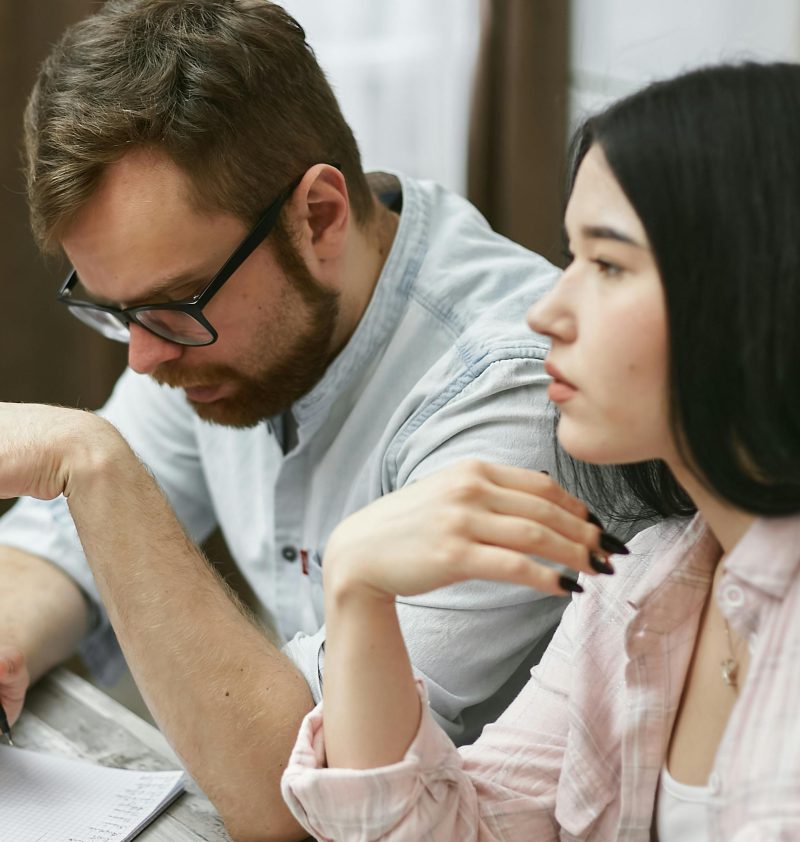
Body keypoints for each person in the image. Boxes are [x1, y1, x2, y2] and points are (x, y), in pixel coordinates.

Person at [0, 2, 619, 837]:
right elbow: (54, 555)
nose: (144, 358)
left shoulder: (514, 395)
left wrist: (95, 464)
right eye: (115, 311)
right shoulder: (218, 334)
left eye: (171, 305)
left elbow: (296, 798)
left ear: (320, 217)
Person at [280, 61, 800, 840]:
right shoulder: (647, 581)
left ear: (753, 288)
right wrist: (357, 590)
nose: (547, 312)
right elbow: (450, 829)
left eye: (609, 263)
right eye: (571, 258)